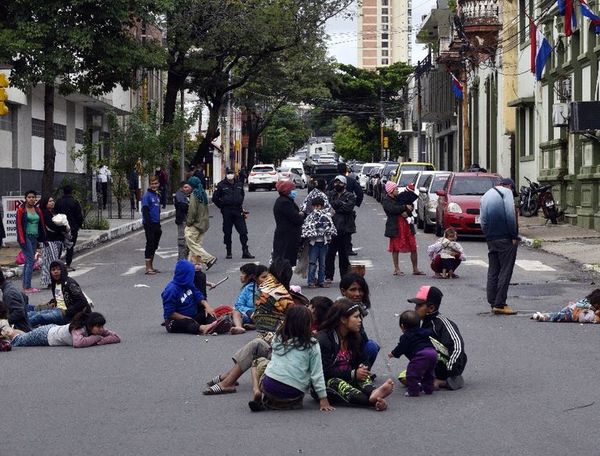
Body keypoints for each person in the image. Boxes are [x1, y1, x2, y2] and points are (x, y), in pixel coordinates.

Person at [202, 259, 298, 395]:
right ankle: (228, 378)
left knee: (257, 345)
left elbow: (293, 324)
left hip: (284, 344)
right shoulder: (277, 292)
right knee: (258, 343)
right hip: (278, 339)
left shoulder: (274, 291)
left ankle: (227, 380)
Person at [248, 305, 334, 412]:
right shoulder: (312, 344)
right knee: (288, 398)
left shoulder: (278, 338)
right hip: (294, 394)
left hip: (270, 387)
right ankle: (274, 402)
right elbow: (317, 374)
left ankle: (257, 390)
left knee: (258, 362)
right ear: (308, 324)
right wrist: (323, 399)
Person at [317, 298, 394, 411]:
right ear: (343, 319)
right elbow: (324, 372)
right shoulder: (324, 339)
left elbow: (364, 359)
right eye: (356, 317)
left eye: (360, 317)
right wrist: (353, 374)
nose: (360, 320)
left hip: (350, 377)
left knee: (363, 375)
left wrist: (362, 367)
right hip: (326, 383)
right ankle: (372, 400)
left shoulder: (355, 336)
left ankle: (373, 393)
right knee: (337, 382)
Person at [410, 285, 467, 390]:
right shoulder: (425, 323)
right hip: (435, 363)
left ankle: (444, 381)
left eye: (419, 305)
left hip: (450, 365)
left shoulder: (442, 323)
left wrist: (450, 370)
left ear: (431, 308)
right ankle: (428, 376)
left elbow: (457, 345)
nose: (415, 309)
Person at [480, 177, 519, 315]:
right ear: (509, 186)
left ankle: (492, 301)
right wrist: (514, 235)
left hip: (491, 237)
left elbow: (482, 220)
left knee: (493, 270)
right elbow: (510, 215)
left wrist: (488, 234)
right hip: (505, 237)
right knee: (505, 270)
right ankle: (500, 304)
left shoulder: (486, 195)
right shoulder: (506, 193)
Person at [161, 259, 231, 335]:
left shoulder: (188, 283)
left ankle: (214, 325)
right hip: (176, 321)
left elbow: (198, 295)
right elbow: (170, 313)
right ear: (184, 274)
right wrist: (187, 318)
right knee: (188, 323)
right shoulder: (171, 290)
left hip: (193, 316)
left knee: (207, 313)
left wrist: (207, 306)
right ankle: (204, 328)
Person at [27, 260, 92, 327]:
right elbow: (61, 297)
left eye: (58, 269)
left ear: (63, 270)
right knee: (32, 313)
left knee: (39, 317)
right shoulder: (55, 284)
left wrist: (67, 312)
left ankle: (22, 328)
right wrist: (52, 302)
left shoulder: (70, 284)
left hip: (69, 315)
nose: (56, 271)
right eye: (53, 269)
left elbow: (82, 302)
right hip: (57, 309)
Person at [388, 310, 437, 397]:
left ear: (402, 326)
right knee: (429, 373)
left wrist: (393, 353)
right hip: (432, 353)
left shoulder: (406, 337)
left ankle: (413, 391)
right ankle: (428, 388)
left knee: (412, 373)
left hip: (421, 355)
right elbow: (431, 333)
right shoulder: (424, 331)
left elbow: (401, 348)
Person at [9, 311, 120, 348]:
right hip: (45, 335)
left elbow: (116, 337)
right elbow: (77, 343)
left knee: (23, 337)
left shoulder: (96, 330)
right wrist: (96, 338)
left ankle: (12, 331)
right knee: (18, 342)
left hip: (53, 329)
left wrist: (102, 340)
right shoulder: (78, 328)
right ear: (90, 326)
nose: (102, 330)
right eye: (99, 327)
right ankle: (6, 331)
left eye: (102, 327)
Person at [382, 181, 424, 276]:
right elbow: (391, 209)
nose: (397, 190)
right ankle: (396, 269)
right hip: (395, 226)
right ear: (390, 191)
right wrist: (404, 207)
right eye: (395, 189)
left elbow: (410, 205)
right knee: (395, 248)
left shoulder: (400, 197)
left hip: (407, 225)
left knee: (413, 246)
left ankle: (415, 268)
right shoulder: (386, 200)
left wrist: (409, 208)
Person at [338, 272, 380, 368]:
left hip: (353, 350)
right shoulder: (340, 310)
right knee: (371, 347)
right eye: (353, 290)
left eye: (360, 290)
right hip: (340, 354)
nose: (357, 294)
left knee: (371, 346)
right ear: (343, 291)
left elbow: (362, 339)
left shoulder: (358, 308)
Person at [212, 169, 254, 259]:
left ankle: (245, 251)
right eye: (228, 173)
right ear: (226, 175)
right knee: (227, 232)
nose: (230, 175)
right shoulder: (221, 185)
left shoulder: (239, 184)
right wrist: (222, 207)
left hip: (238, 210)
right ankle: (229, 251)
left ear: (234, 175)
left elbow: (242, 195)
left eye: (232, 173)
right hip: (227, 211)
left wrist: (239, 203)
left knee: (243, 231)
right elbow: (215, 198)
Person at [325, 176, 356, 283]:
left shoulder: (350, 195)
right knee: (330, 254)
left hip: (345, 229)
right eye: (335, 183)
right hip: (331, 229)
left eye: (340, 183)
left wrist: (336, 206)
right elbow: (327, 207)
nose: (337, 185)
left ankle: (345, 277)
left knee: (344, 255)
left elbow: (348, 208)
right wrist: (340, 203)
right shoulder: (329, 194)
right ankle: (328, 276)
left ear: (345, 185)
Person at [301, 196, 337, 288]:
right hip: (313, 244)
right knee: (312, 263)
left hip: (323, 243)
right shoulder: (310, 217)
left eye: (319, 206)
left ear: (322, 206)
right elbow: (306, 228)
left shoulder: (326, 217)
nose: (317, 208)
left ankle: (321, 281)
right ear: (312, 207)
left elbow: (331, 228)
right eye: (315, 206)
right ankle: (311, 281)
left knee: (323, 263)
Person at [329, 163, 363, 256]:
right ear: (346, 170)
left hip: (344, 211)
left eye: (340, 183)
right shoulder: (351, 180)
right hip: (337, 213)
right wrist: (356, 204)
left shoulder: (333, 181)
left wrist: (351, 204)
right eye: (337, 183)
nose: (337, 184)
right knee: (344, 232)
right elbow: (359, 193)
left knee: (346, 231)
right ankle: (347, 248)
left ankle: (344, 249)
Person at [16, 190, 47, 293]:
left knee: (28, 262)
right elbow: (19, 226)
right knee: (30, 261)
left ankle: (25, 286)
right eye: (29, 197)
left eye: (33, 197)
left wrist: (43, 238)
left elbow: (41, 225)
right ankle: (27, 287)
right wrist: (22, 240)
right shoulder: (21, 210)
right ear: (25, 199)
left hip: (34, 238)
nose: (31, 199)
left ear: (35, 199)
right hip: (25, 238)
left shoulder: (38, 210)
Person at [184, 176, 217, 269]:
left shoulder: (194, 195)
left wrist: (188, 222)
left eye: (189, 185)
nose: (188, 187)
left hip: (195, 224)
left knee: (192, 244)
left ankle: (209, 258)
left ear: (192, 185)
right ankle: (192, 266)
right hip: (203, 224)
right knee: (195, 247)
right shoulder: (202, 193)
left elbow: (192, 211)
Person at [272, 180, 304, 267]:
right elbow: (296, 218)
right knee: (284, 261)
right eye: (293, 189)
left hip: (287, 235)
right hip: (286, 237)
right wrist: (301, 215)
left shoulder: (286, 201)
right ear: (287, 190)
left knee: (285, 260)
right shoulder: (285, 203)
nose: (294, 191)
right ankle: (283, 280)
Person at [39, 196, 67, 289]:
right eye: (49, 201)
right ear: (45, 203)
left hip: (54, 240)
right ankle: (51, 281)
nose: (52, 202)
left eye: (52, 200)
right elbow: (51, 226)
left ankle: (54, 281)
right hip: (48, 240)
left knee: (53, 260)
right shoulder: (45, 213)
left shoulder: (51, 212)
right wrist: (64, 228)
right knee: (51, 262)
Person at [230, 263, 267, 335]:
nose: (266, 279)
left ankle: (256, 325)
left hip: (264, 316)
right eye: (263, 277)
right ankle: (239, 327)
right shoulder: (248, 288)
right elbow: (239, 305)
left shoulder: (272, 288)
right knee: (235, 312)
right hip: (249, 315)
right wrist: (248, 312)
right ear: (256, 278)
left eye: (267, 277)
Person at [55, 185, 84, 271]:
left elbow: (55, 213)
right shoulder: (75, 202)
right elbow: (79, 216)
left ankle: (57, 263)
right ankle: (68, 265)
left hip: (60, 228)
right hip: (72, 228)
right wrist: (79, 225)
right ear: (72, 192)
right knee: (70, 246)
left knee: (59, 246)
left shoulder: (58, 202)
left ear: (63, 192)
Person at [531, 289, 600, 323]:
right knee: (559, 316)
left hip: (571, 310)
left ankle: (542, 315)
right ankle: (544, 317)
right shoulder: (587, 302)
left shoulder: (593, 306)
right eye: (598, 305)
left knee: (559, 314)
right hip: (571, 311)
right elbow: (579, 304)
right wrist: (589, 307)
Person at [141, 176, 162, 275]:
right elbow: (145, 210)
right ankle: (147, 267)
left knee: (154, 245)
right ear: (150, 185)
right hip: (149, 224)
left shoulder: (157, 195)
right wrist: (148, 224)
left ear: (158, 184)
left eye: (156, 183)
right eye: (152, 184)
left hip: (157, 223)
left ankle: (152, 266)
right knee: (149, 244)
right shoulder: (147, 196)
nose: (154, 185)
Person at [174, 181, 192, 260]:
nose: (187, 189)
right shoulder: (179, 195)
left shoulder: (189, 195)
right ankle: (181, 261)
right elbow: (184, 206)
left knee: (189, 242)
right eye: (185, 187)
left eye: (188, 187)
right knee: (182, 242)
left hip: (189, 221)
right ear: (181, 188)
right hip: (182, 221)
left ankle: (186, 260)